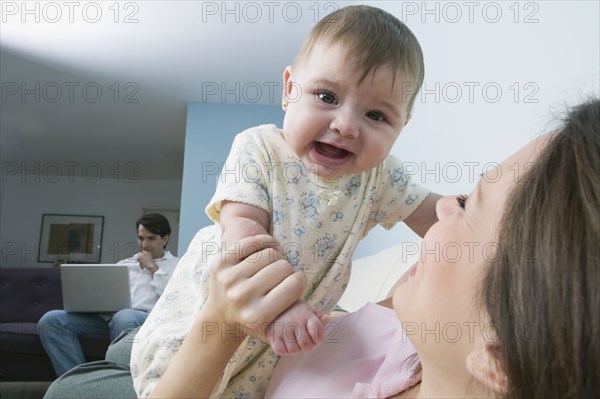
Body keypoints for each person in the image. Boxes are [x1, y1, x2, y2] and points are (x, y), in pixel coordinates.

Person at [137, 98, 599, 398]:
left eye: (467, 209)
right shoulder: (408, 320)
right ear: (290, 88)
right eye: (457, 199)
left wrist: (222, 322)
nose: (441, 211)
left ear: (499, 357)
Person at [132, 5, 441, 397]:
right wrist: (282, 306)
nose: (345, 125)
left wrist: (484, 212)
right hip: (200, 321)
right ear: (288, 89)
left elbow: (440, 217)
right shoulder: (258, 149)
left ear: (403, 126)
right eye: (327, 95)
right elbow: (242, 235)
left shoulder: (380, 177)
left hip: (274, 350)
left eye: (377, 115)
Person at [37, 213, 179, 377]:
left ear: (165, 239)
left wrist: (153, 268)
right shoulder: (124, 264)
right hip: (108, 319)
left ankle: (112, 382)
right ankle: (79, 383)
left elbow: (174, 299)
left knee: (124, 316)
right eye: (140, 238)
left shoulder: (177, 265)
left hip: (143, 321)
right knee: (51, 320)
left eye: (151, 238)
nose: (144, 244)